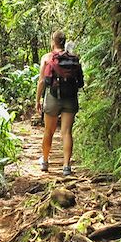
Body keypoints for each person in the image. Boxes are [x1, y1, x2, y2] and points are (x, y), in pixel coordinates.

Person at [36, 30, 83, 176]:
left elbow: (42, 81)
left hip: (52, 98)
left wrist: (37, 100)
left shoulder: (47, 58)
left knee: (48, 131)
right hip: (70, 98)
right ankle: (66, 166)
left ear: (53, 41)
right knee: (67, 132)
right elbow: (80, 82)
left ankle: (44, 161)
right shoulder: (73, 58)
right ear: (64, 42)